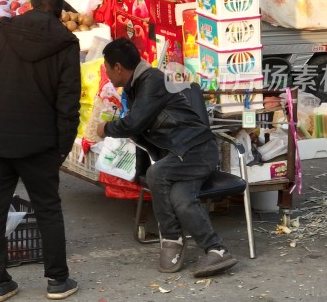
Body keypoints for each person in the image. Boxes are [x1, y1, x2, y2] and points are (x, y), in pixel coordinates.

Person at [0, 0, 81, 301]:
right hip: (40, 142)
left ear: (30, 7)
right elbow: (68, 102)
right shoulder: (66, 42)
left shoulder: (3, 32)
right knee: (48, 208)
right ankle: (57, 280)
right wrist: (63, 146)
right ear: (58, 13)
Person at [96, 38, 238, 278]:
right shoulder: (135, 86)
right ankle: (217, 250)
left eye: (107, 67)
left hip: (196, 150)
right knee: (181, 199)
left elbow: (134, 123)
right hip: (179, 155)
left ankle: (171, 238)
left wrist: (106, 128)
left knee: (156, 173)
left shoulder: (152, 81)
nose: (107, 73)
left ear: (118, 67)